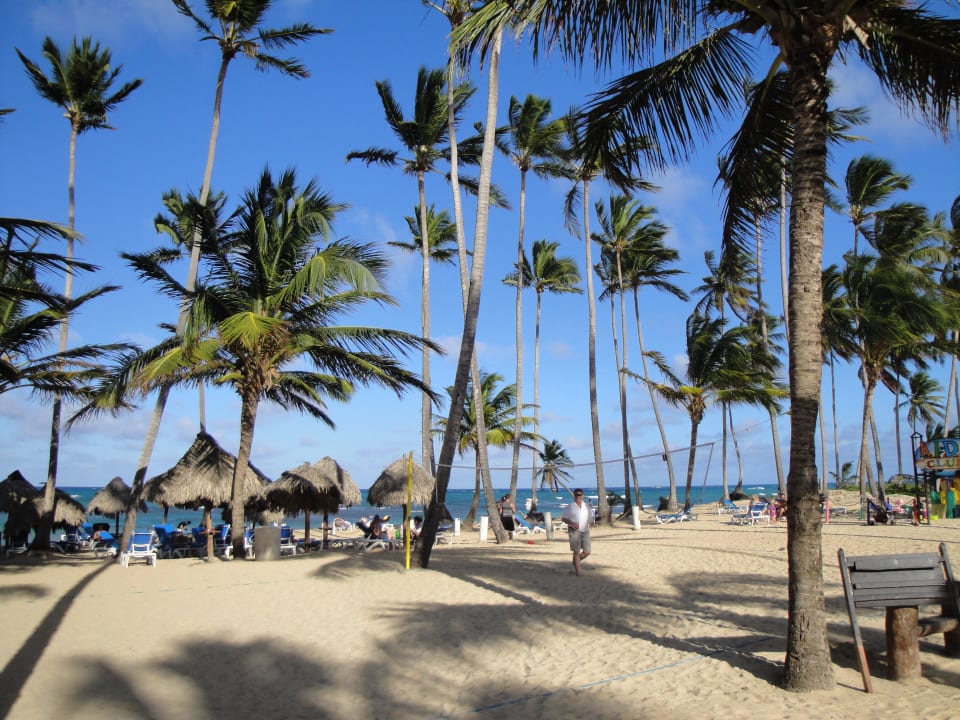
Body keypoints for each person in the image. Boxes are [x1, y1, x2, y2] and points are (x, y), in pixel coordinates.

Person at [561, 488, 593, 576]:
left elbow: (590, 516)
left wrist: (590, 522)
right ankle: (578, 572)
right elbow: (563, 518)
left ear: (583, 496)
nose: (578, 496)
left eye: (580, 495)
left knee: (587, 551)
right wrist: (572, 523)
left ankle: (575, 562)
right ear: (574, 496)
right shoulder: (570, 506)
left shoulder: (586, 506)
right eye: (576, 495)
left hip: (585, 530)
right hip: (574, 530)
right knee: (576, 551)